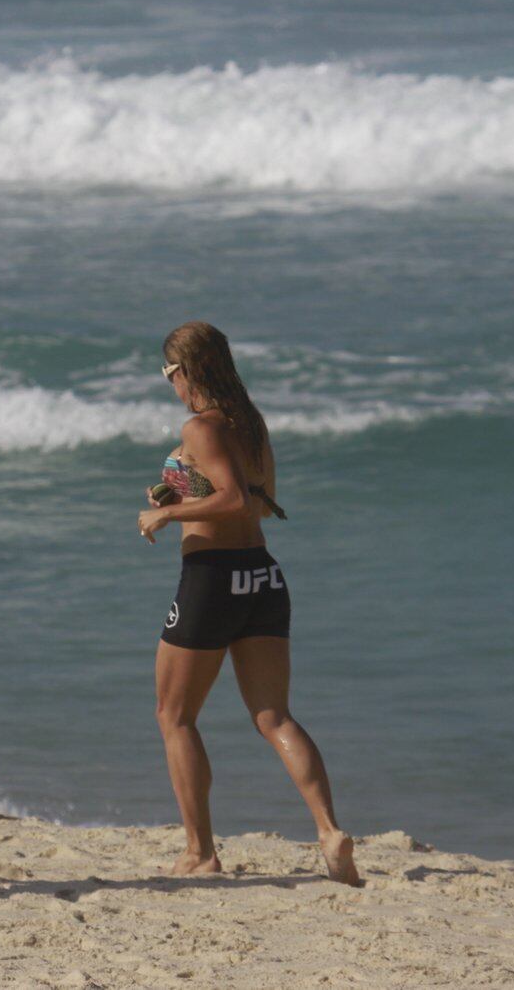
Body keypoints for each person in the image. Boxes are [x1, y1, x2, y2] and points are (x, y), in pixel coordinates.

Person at [137, 321, 360, 886]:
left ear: (186, 370)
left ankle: (200, 852)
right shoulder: (250, 424)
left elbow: (233, 499)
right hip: (262, 578)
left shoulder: (201, 426)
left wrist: (167, 514)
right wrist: (180, 492)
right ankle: (329, 830)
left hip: (212, 580)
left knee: (174, 715)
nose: (170, 383)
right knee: (275, 716)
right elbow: (256, 505)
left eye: (169, 373)